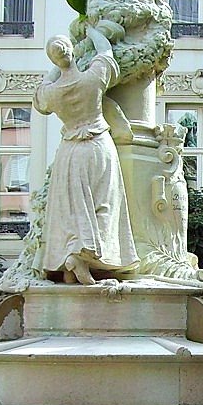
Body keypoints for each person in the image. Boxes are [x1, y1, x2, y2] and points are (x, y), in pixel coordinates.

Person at [31, 24, 138, 284]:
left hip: (69, 153)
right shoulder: (92, 79)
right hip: (97, 146)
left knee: (72, 210)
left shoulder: (52, 93)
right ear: (72, 53)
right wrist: (89, 32)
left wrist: (58, 62)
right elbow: (106, 51)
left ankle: (70, 264)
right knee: (104, 205)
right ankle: (84, 258)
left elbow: (42, 89)